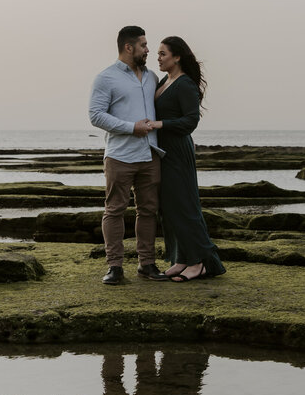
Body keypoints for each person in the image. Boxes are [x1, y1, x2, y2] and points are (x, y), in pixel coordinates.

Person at [88, 25, 166, 285]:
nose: (148, 49)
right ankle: (115, 267)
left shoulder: (152, 76)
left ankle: (147, 264)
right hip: (120, 155)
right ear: (128, 47)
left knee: (148, 211)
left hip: (149, 154)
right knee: (114, 210)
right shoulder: (106, 78)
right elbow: (96, 115)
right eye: (143, 45)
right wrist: (132, 128)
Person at [151, 36, 225, 282]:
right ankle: (180, 258)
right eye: (158, 54)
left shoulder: (185, 85)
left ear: (177, 56)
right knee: (169, 209)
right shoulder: (165, 80)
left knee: (184, 206)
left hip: (177, 152)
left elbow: (191, 121)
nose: (158, 58)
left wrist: (159, 124)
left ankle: (201, 262)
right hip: (162, 151)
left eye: (163, 53)